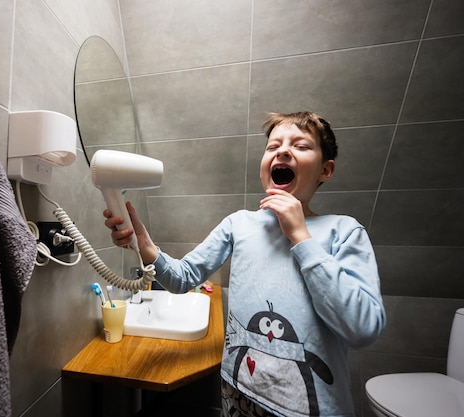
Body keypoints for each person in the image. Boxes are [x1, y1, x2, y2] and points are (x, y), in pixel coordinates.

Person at [103, 111, 386, 417]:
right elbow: (183, 278)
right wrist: (145, 246)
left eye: (301, 146)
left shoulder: (343, 231)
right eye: (273, 146)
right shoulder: (238, 224)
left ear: (325, 170)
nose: (283, 151)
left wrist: (301, 237)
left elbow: (362, 327)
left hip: (310, 407)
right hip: (237, 392)